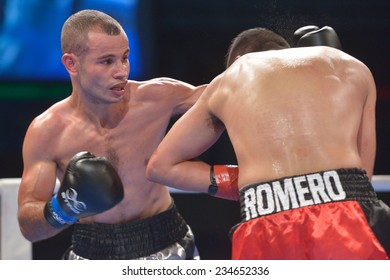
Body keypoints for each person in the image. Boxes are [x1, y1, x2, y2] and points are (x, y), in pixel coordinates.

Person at [146, 27, 390, 259]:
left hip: (266, 218)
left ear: (239, 59)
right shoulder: (350, 66)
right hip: (346, 213)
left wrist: (239, 182)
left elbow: (160, 166)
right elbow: (363, 177)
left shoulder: (235, 75)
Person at [17, 9, 207, 260]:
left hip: (167, 242)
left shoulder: (158, 97)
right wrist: (65, 208)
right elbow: (28, 227)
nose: (121, 71)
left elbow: (225, 99)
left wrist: (257, 71)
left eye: (125, 58)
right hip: (91, 254)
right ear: (71, 64)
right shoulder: (48, 131)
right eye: (107, 61)